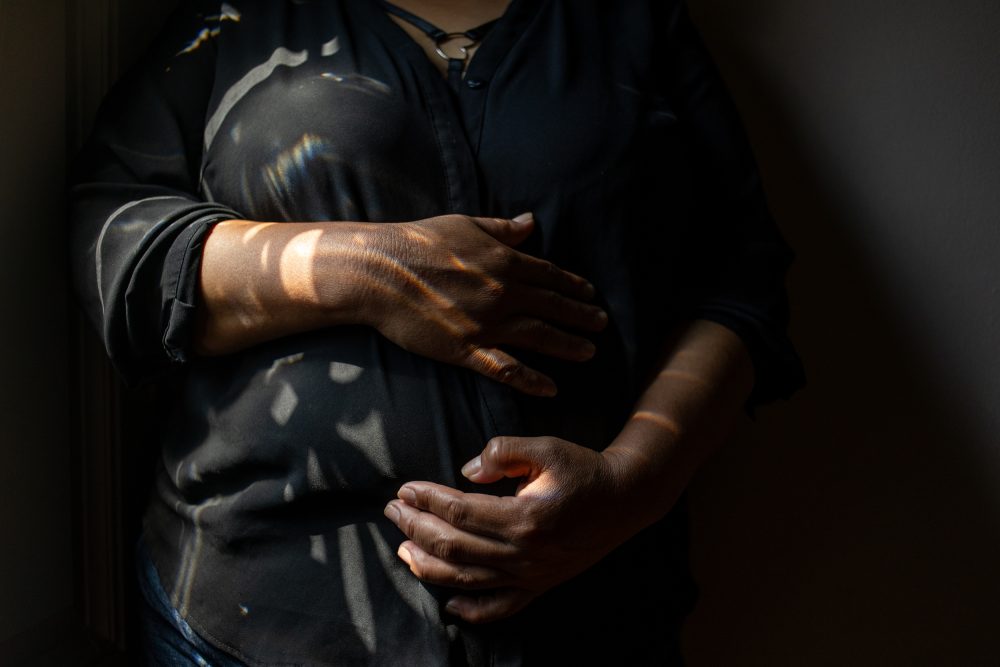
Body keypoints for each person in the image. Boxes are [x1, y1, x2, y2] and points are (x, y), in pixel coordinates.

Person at [71, 0, 804, 664]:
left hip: (591, 620)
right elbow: (117, 242)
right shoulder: (240, 20)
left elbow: (741, 286)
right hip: (247, 620)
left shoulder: (635, 24)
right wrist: (365, 270)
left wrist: (631, 483)